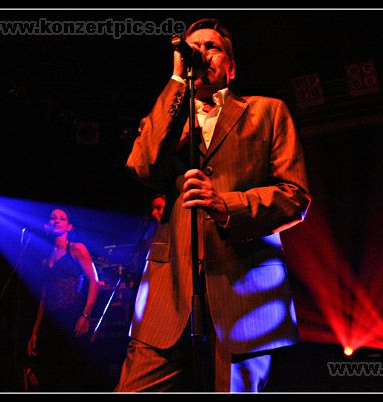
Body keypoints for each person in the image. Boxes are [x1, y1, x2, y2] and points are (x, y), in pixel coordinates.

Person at [116, 18, 310, 392]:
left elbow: (294, 195)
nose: (201, 53)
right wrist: (177, 81)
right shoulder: (165, 119)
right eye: (194, 47)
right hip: (169, 289)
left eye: (212, 47)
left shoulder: (268, 111)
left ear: (231, 67)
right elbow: (142, 166)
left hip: (245, 291)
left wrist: (226, 205)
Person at [26, 208, 100, 391]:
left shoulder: (76, 248)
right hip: (50, 322)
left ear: (69, 226)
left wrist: (85, 315)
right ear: (47, 225)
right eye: (53, 218)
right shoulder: (46, 256)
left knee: (70, 374)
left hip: (72, 317)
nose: (57, 221)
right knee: (50, 375)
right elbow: (43, 296)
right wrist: (35, 331)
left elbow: (94, 281)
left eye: (62, 218)